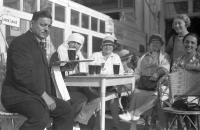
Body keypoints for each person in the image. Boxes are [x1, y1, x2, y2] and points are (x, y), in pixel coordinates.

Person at [1, 10, 74, 130]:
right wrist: (45, 96)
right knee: (41, 115)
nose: (46, 29)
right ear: (32, 24)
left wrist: (63, 68)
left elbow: (40, 73)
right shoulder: (21, 43)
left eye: (49, 26)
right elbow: (23, 75)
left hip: (34, 95)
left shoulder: (37, 44)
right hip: (17, 96)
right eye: (43, 25)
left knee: (66, 109)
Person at [75, 35, 124, 130]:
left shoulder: (116, 57)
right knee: (100, 100)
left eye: (110, 45)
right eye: (105, 44)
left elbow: (120, 73)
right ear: (101, 46)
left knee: (114, 100)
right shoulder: (95, 55)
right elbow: (89, 70)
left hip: (110, 85)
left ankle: (116, 125)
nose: (108, 47)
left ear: (113, 47)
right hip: (95, 86)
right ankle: (97, 126)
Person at [119, 34, 170, 125]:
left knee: (155, 97)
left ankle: (136, 114)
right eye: (152, 43)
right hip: (144, 85)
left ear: (161, 45)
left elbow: (166, 68)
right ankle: (132, 121)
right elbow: (137, 72)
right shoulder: (143, 57)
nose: (155, 44)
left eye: (157, 43)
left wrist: (157, 73)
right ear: (149, 45)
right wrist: (134, 81)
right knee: (135, 93)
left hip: (158, 86)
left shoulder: (164, 56)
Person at [57, 33, 88, 122]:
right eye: (73, 42)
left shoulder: (79, 55)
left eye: (78, 43)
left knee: (95, 97)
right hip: (62, 86)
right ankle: (69, 121)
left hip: (75, 84)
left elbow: (83, 71)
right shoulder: (61, 51)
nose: (75, 45)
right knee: (83, 98)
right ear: (68, 42)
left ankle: (75, 120)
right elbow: (61, 70)